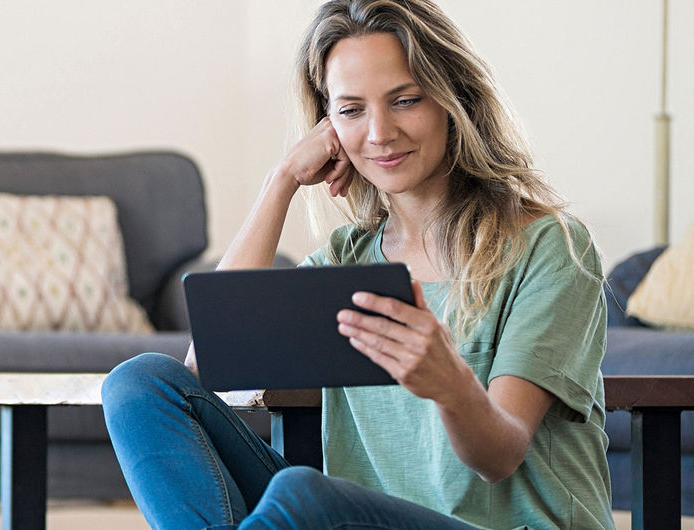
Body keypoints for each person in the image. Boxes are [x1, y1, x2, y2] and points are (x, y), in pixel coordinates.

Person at [100, 0, 613, 528]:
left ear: (452, 100)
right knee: (140, 384)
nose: (380, 132)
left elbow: (500, 455)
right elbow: (205, 366)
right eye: (351, 110)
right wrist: (281, 181)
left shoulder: (548, 246)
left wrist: (449, 383)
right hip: (355, 520)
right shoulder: (346, 259)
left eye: (405, 100)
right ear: (327, 125)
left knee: (303, 494)